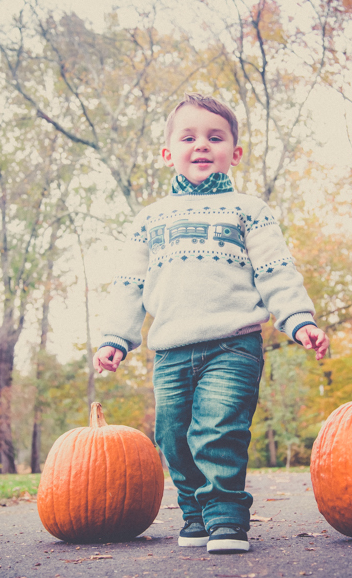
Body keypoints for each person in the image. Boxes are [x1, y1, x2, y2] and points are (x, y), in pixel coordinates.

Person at [93, 92, 329, 554]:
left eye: (214, 137)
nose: (202, 145)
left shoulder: (248, 210)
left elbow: (276, 270)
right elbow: (129, 283)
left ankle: (226, 519)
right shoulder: (150, 219)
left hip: (233, 344)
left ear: (234, 153)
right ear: (168, 153)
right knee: (174, 437)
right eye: (189, 137)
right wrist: (115, 339)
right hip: (171, 349)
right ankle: (195, 513)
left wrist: (299, 319)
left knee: (218, 429)